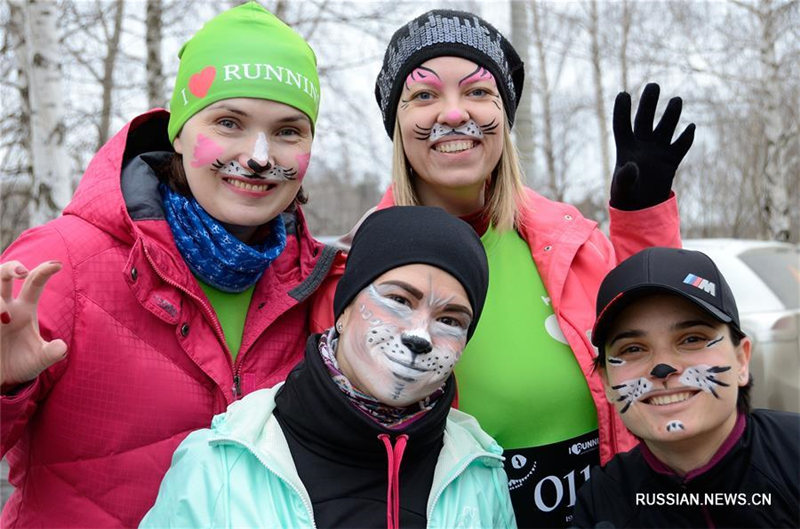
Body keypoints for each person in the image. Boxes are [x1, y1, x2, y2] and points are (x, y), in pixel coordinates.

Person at [311, 9, 695, 528]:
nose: (452, 114)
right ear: (396, 124)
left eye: (477, 92)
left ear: (505, 113)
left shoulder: (571, 243)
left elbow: (653, 338)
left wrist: (642, 219)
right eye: (424, 95)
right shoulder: (355, 279)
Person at [0, 3, 339, 527]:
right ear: (177, 132)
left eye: (289, 131)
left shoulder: (320, 290)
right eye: (228, 123)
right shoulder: (57, 264)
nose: (257, 155)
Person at [140, 206, 515, 529]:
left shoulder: (479, 471)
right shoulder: (221, 462)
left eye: (450, 320)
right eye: (399, 299)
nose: (420, 335)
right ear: (345, 308)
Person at [572, 246, 800, 528]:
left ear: (742, 360)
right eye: (633, 348)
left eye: (692, 339)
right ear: (606, 383)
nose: (663, 367)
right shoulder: (601, 503)